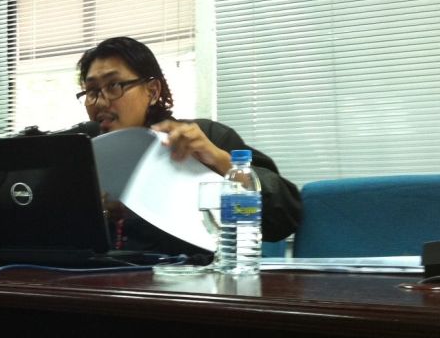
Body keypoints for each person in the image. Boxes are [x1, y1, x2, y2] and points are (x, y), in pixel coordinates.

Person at [75, 36, 301, 256]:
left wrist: (219, 160)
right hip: (98, 284)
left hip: (192, 283)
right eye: (92, 91)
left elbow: (283, 218)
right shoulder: (82, 152)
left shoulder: (207, 138)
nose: (101, 102)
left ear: (152, 91)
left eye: (114, 85)